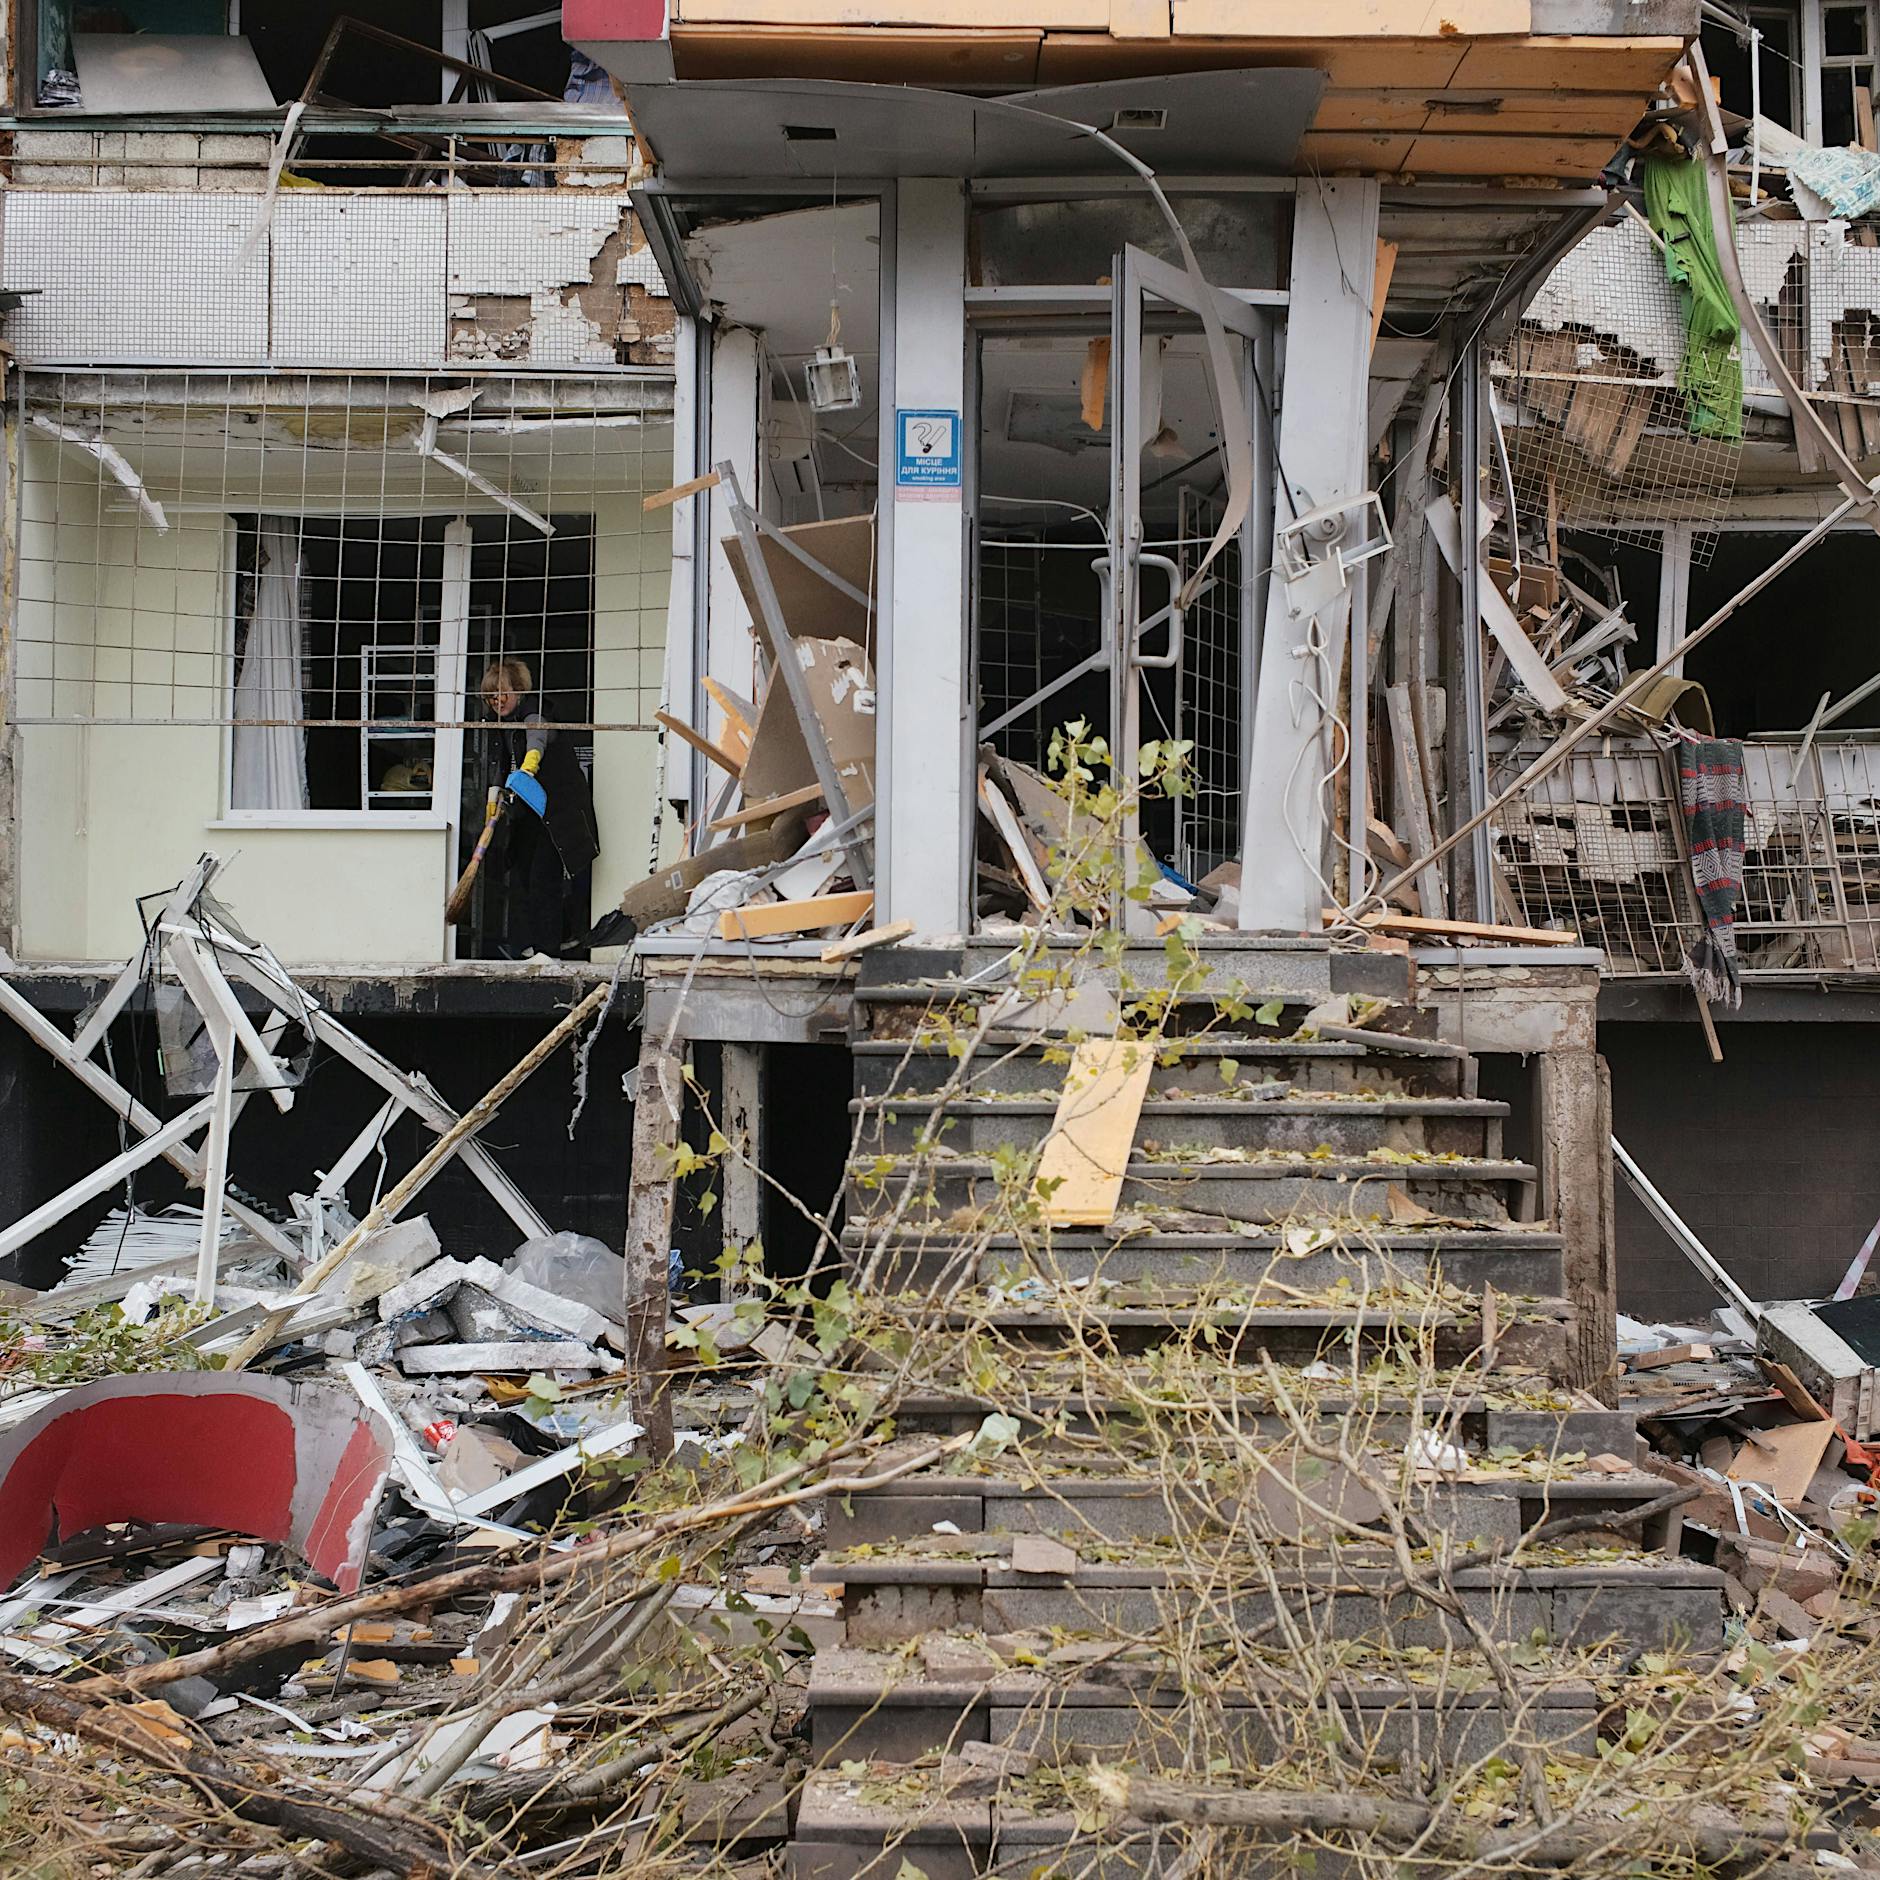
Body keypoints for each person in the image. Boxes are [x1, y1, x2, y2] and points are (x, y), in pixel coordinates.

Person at [479, 658, 599, 960]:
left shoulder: (535, 709)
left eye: (503, 693)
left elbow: (538, 735)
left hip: (558, 811)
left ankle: (549, 951)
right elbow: (502, 761)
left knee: (543, 879)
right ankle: (528, 945)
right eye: (491, 696)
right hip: (532, 811)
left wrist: (531, 761)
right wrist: (495, 795)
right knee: (520, 874)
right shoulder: (502, 724)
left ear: (519, 691)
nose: (497, 701)